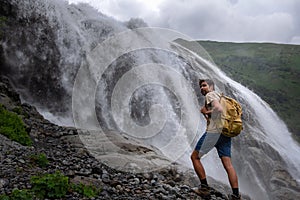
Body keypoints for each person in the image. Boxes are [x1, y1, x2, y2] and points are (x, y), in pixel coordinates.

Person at [191, 79, 241, 200]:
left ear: (211, 86)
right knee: (228, 165)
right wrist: (207, 114)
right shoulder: (221, 96)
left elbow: (218, 109)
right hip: (225, 134)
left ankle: (204, 188)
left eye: (204, 85)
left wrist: (205, 111)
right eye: (201, 87)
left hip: (214, 133)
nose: (202, 88)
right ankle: (236, 195)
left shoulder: (210, 95)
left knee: (195, 157)